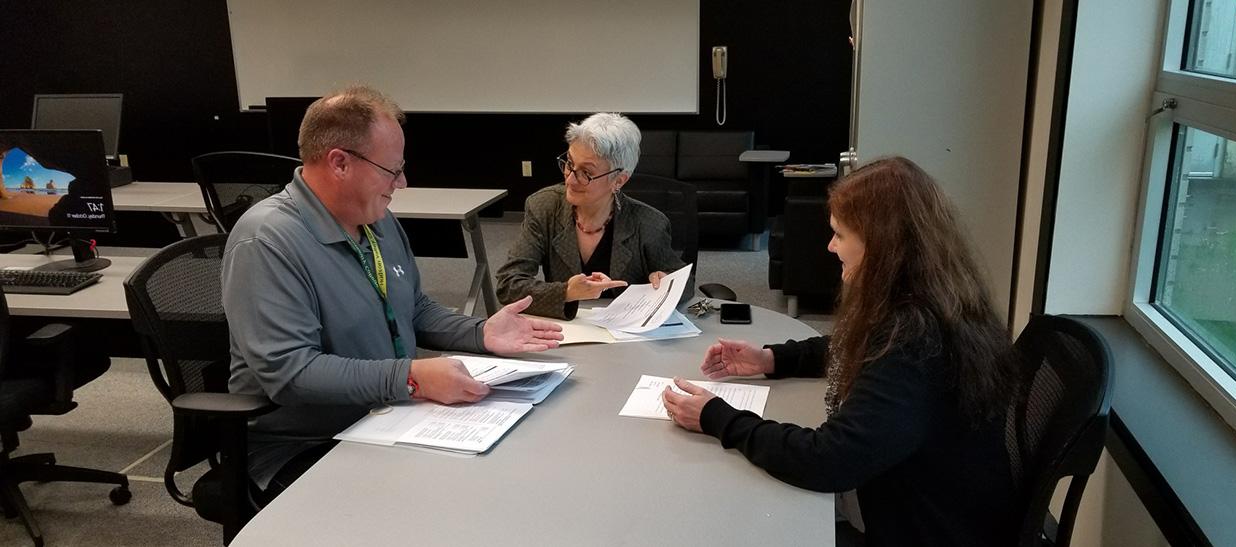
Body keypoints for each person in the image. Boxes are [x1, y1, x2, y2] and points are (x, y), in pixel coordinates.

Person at [222, 86, 563, 498]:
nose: (401, 182)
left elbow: (412, 308)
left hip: (386, 416)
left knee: (502, 481)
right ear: (340, 163)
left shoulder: (375, 219)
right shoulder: (267, 241)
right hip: (303, 445)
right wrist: (411, 378)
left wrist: (480, 333)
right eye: (391, 169)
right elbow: (291, 373)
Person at [662, 157, 1019, 547]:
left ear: (881, 245)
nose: (831, 247)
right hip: (926, 493)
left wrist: (717, 417)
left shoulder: (915, 340)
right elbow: (852, 346)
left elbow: (827, 461)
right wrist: (772, 359)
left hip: (922, 527)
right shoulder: (935, 297)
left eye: (840, 235)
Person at [495, 113, 688, 319]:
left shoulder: (649, 223)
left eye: (586, 173)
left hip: (627, 334)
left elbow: (684, 283)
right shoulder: (544, 207)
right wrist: (566, 292)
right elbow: (509, 284)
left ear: (619, 180)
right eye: (569, 163)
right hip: (565, 329)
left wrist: (666, 282)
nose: (570, 179)